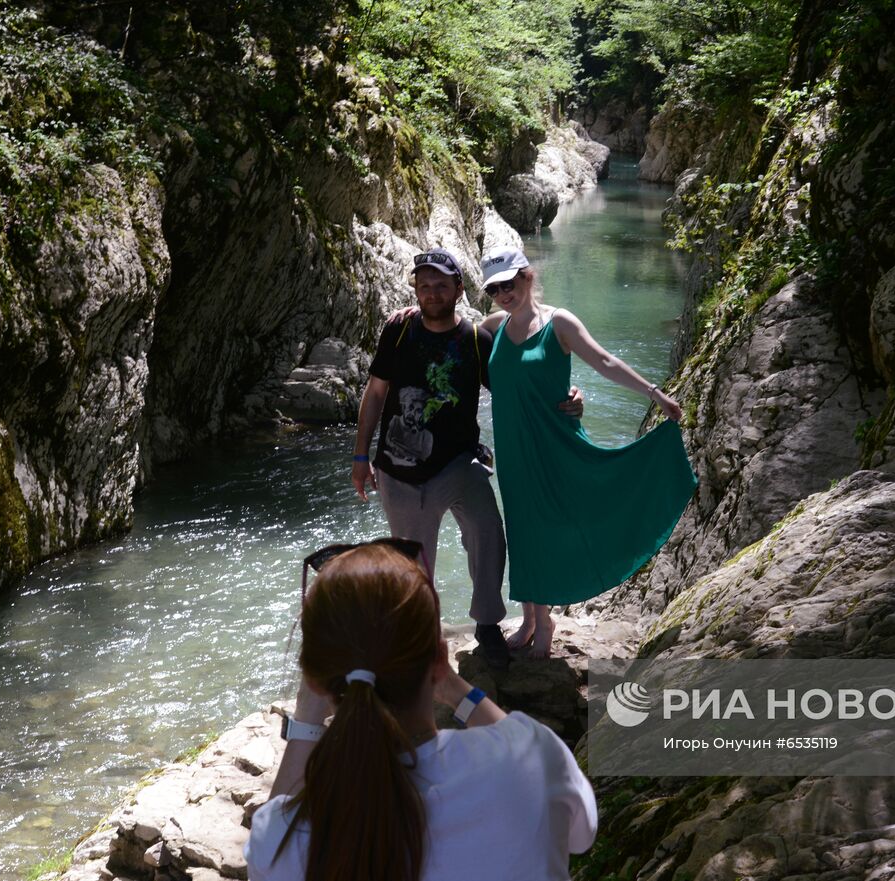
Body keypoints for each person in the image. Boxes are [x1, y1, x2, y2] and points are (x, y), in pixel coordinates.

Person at [243, 541, 598, 881]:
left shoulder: (283, 839)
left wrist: (306, 720)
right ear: (440, 660)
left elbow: (271, 847)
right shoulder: (529, 759)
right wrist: (457, 691)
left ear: (316, 681)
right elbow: (580, 836)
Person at [349, 248, 582, 668]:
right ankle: (419, 639)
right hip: (400, 471)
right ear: (415, 290)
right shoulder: (399, 330)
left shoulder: (477, 340)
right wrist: (360, 455)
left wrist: (565, 399)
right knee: (413, 563)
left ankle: (488, 625)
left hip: (459, 464)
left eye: (441, 284)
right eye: (424, 285)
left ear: (459, 288)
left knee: (488, 534)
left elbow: (517, 388)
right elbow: (376, 393)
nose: (432, 293)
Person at [479, 246, 697, 658]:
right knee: (522, 529)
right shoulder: (491, 327)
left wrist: (656, 395)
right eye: (494, 289)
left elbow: (604, 361)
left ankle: (545, 621)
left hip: (556, 443)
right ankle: (529, 617)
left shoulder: (558, 322)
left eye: (509, 284)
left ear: (527, 277)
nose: (503, 294)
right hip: (514, 450)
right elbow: (450, 342)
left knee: (552, 524)